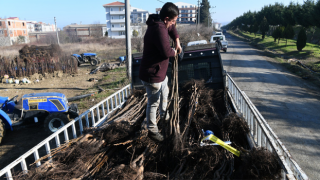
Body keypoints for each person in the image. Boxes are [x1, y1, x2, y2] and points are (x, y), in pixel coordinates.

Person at [139, 2, 181, 142]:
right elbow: (166, 51)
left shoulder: (160, 21)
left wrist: (177, 40)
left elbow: (172, 28)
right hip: (152, 75)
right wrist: (175, 52)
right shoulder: (159, 29)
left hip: (160, 73)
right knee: (153, 102)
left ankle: (164, 115)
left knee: (165, 90)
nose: (174, 23)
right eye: (173, 20)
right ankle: (152, 130)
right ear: (166, 18)